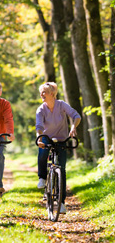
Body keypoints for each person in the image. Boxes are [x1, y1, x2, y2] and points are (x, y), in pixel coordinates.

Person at [36, 82, 81, 214]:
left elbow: (76, 116)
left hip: (61, 138)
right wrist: (39, 138)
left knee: (62, 168)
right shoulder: (41, 109)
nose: (42, 94)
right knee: (42, 153)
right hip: (46, 137)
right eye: (41, 92)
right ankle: (42, 178)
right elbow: (39, 126)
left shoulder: (61, 105)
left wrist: (73, 127)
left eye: (44, 92)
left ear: (52, 94)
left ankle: (61, 203)